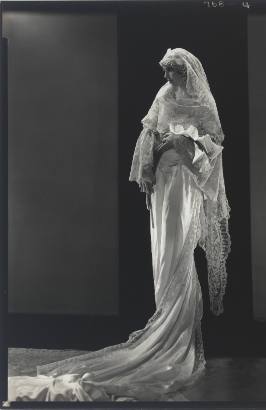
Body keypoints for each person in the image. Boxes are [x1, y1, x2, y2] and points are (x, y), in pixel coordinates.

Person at [6, 48, 231, 402]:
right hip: (161, 183)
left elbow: (216, 142)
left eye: (172, 73)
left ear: (185, 73)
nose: (167, 79)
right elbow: (147, 130)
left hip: (185, 183)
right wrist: (151, 157)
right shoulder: (162, 95)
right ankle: (163, 324)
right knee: (162, 255)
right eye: (166, 73)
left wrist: (185, 141)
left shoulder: (202, 100)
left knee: (179, 253)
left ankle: (177, 336)